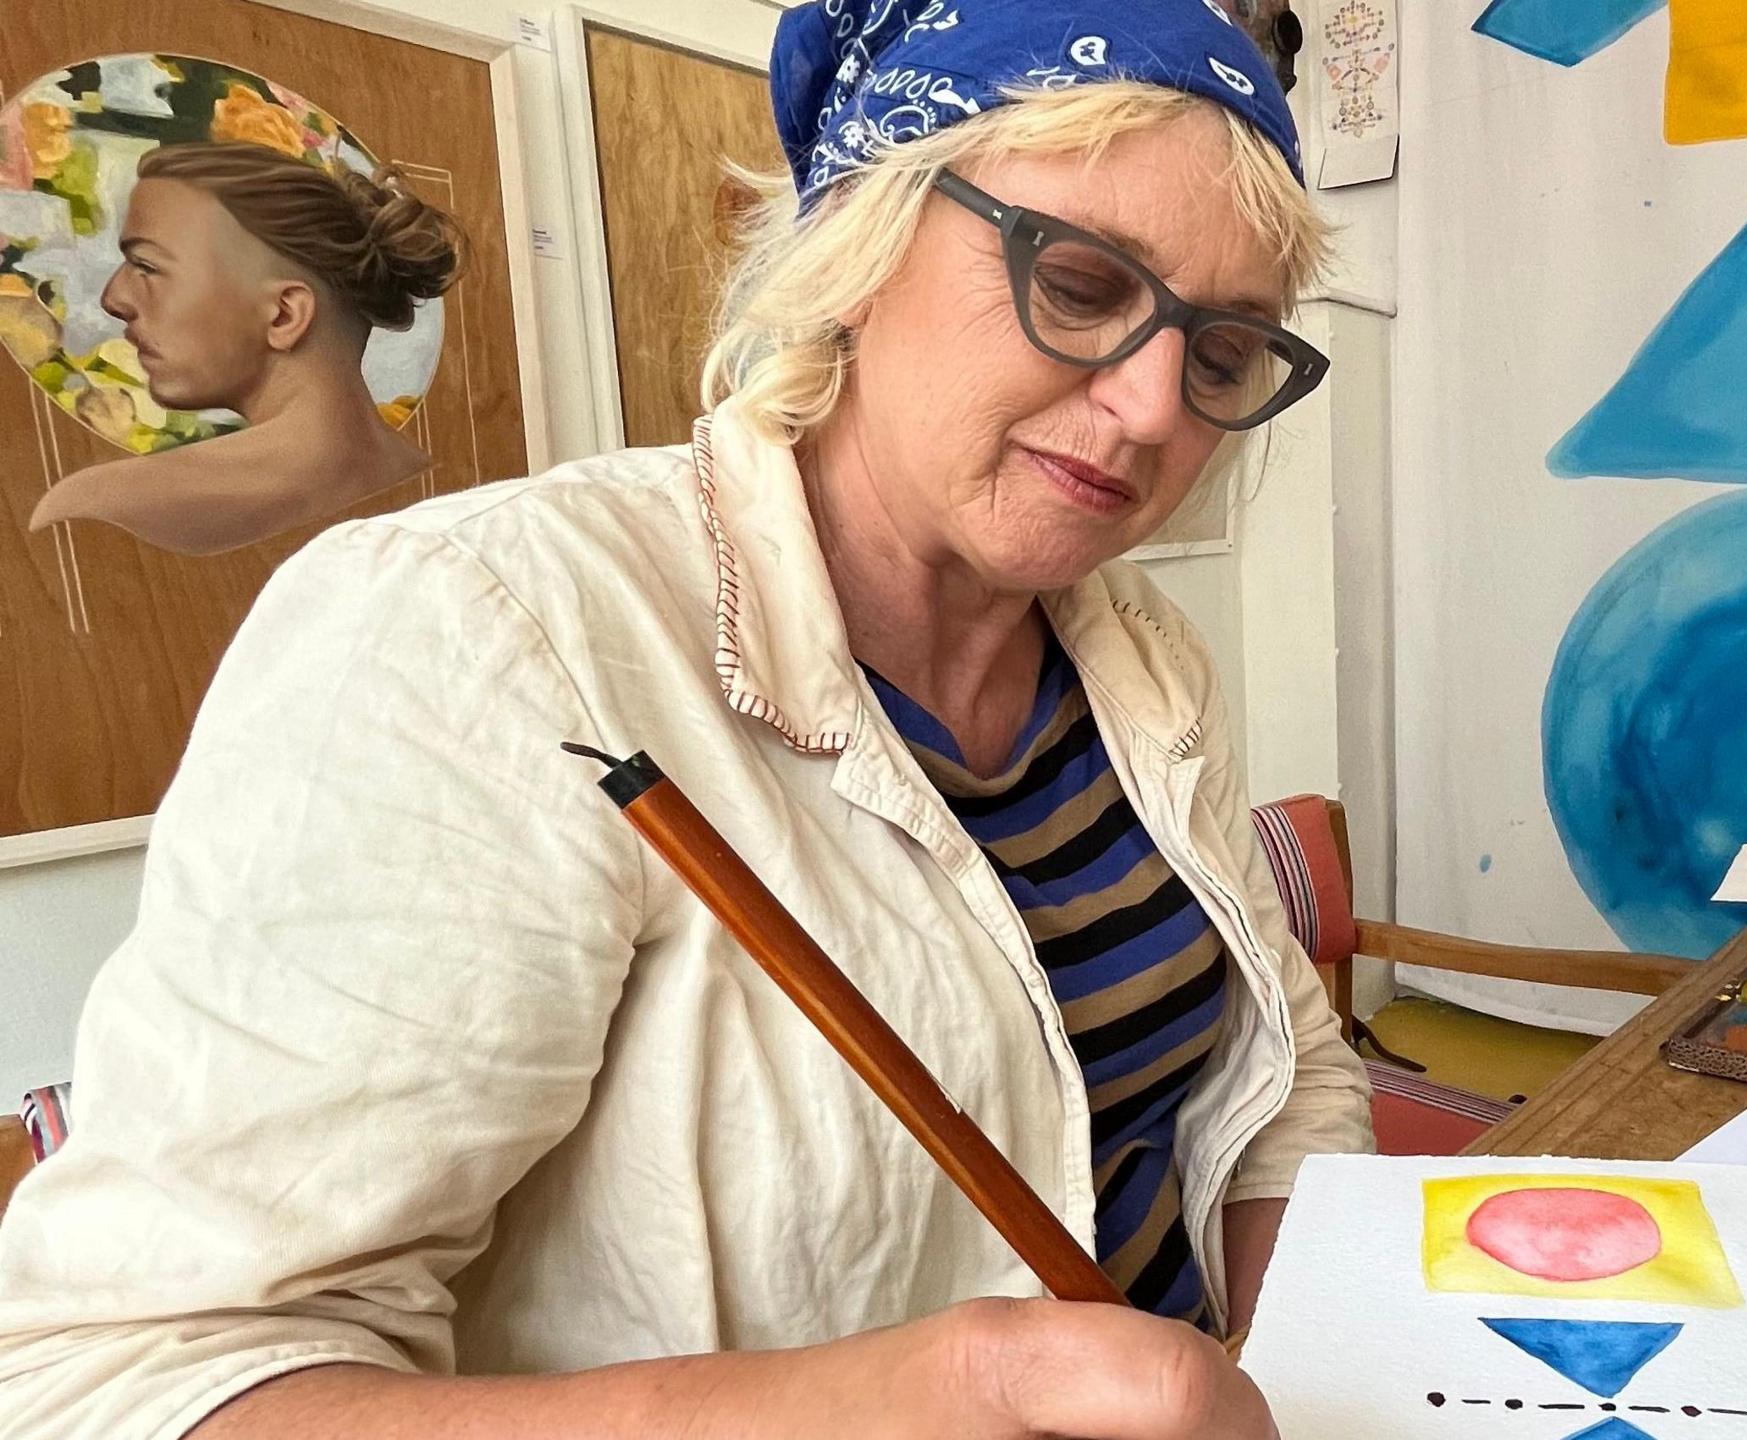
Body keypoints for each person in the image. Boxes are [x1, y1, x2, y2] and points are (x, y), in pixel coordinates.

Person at [0, 2, 1370, 1436]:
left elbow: (1284, 1065)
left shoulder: (1142, 654)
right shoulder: (480, 631)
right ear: (860, 242)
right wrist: (946, 1389)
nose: (1157, 407)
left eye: (1222, 355)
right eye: (1080, 284)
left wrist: (1317, 1365)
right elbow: (127, 1386)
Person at [25, 141, 458, 554]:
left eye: (146, 266)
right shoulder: (452, 489)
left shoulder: (101, 509)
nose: (113, 299)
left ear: (284, 315)